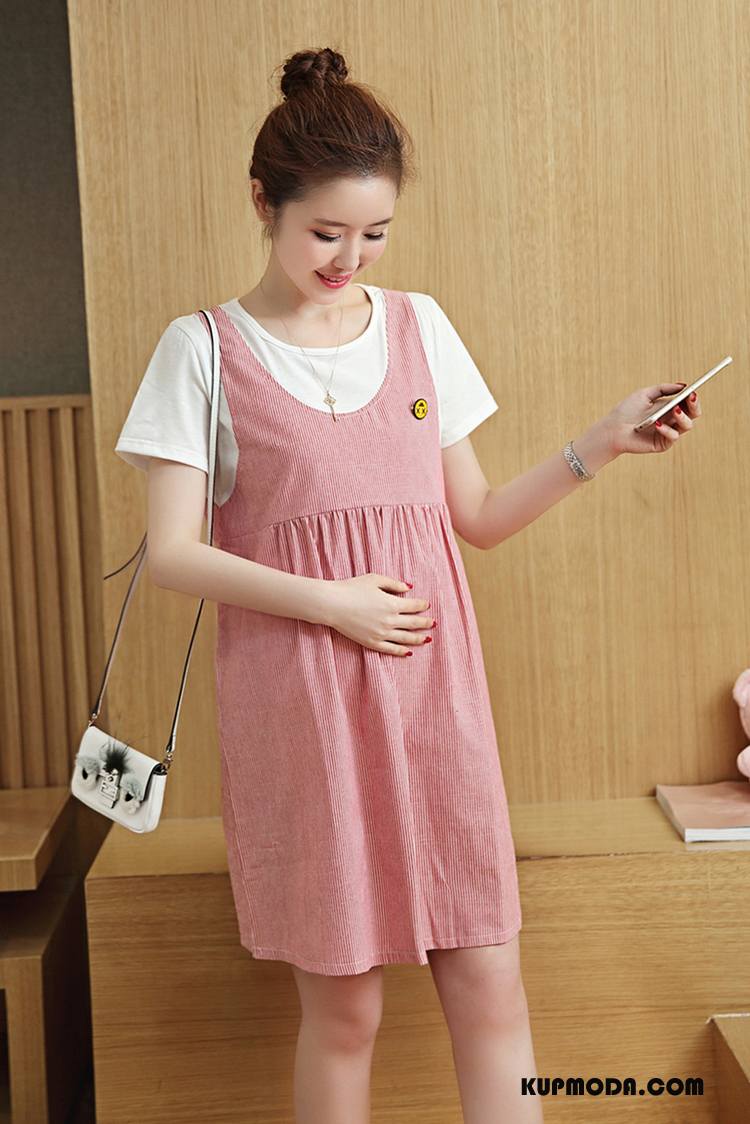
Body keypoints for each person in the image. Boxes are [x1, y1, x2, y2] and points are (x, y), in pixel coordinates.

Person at [114, 45, 702, 1124]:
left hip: (436, 702)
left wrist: (605, 441)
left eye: (375, 232)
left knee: (490, 982)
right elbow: (173, 554)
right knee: (345, 1011)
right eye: (325, 232)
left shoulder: (419, 326)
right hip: (303, 711)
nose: (350, 258)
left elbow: (473, 517)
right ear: (264, 201)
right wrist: (334, 603)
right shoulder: (200, 352)